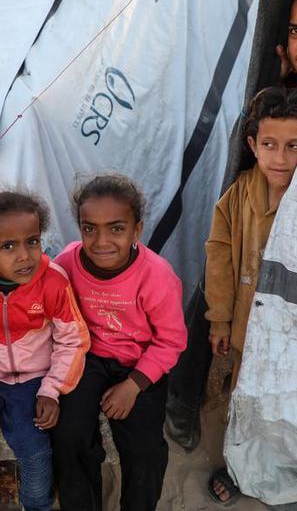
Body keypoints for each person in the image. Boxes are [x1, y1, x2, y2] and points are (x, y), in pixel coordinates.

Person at [165, 0, 297, 458]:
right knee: (223, 294)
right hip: (253, 239)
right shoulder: (278, 97)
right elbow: (227, 230)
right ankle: (190, 404)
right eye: (295, 30)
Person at [205, 85, 297, 504]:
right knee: (245, 396)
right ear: (252, 145)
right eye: (269, 144)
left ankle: (291, 467)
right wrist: (220, 318)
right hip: (246, 327)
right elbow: (219, 253)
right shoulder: (240, 193)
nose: (281, 158)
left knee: (294, 401)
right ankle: (240, 468)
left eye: (294, 146)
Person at [0, 191, 90, 511]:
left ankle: (36, 505)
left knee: (33, 446)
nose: (25, 256)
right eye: (8, 246)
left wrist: (51, 390)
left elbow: (73, 340)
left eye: (32, 241)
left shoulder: (53, 282)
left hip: (33, 380)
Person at [51, 174, 188, 511]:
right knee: (69, 434)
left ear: (136, 230)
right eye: (90, 228)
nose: (102, 241)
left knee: (145, 449)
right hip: (86, 358)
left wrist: (133, 385)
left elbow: (171, 341)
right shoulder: (66, 264)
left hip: (139, 361)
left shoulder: (157, 276)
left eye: (116, 228)